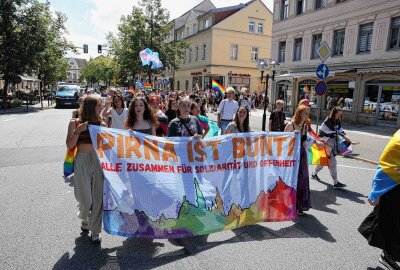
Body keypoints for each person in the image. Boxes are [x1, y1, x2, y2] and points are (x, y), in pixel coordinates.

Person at [66, 95, 106, 243]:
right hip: (82, 160)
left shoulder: (102, 123)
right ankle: (84, 216)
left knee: (97, 198)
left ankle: (95, 231)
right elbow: (70, 145)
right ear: (90, 107)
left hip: (98, 161)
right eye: (99, 105)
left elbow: (107, 145)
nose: (102, 108)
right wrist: (78, 130)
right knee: (86, 199)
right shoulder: (75, 122)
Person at [358, 129, 400, 270]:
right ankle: (387, 257)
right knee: (390, 224)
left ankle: (387, 256)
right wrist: (377, 192)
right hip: (393, 187)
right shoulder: (398, 139)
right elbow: (386, 164)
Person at [311, 106, 352, 189]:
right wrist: (345, 137)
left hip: (332, 143)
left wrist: (345, 137)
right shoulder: (328, 121)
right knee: (333, 163)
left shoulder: (337, 121)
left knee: (323, 161)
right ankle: (336, 182)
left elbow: (339, 130)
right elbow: (332, 132)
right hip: (326, 144)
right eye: (338, 113)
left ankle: (314, 174)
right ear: (334, 113)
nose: (339, 115)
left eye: (340, 114)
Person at [284, 105, 312, 215]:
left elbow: (304, 143)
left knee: (302, 180)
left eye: (308, 113)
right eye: (305, 113)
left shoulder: (305, 127)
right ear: (299, 113)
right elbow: (283, 141)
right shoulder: (290, 125)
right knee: (291, 181)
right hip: (292, 155)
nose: (307, 115)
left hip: (301, 155)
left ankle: (300, 205)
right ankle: (289, 204)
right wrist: (292, 135)